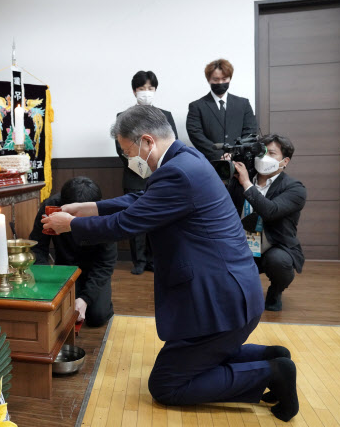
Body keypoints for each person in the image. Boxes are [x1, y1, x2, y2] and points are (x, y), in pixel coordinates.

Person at [43, 105, 298, 422]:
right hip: (228, 293)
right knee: (192, 360)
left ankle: (271, 372)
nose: (129, 160)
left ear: (147, 142)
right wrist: (91, 207)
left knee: (166, 385)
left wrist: (72, 225)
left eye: (128, 152)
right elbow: (142, 201)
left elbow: (127, 223)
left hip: (222, 301)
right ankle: (271, 357)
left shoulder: (178, 171)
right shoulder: (185, 159)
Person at [228, 134, 306, 311]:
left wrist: (247, 183)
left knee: (279, 261)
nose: (264, 158)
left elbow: (270, 211)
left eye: (271, 153)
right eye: (261, 152)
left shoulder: (294, 188)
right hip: (241, 246)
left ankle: (276, 291)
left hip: (273, 247)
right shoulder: (240, 178)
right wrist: (226, 170)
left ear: (285, 161)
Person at [29, 176, 116, 327]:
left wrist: (85, 299)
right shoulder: (51, 207)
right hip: (64, 268)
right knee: (63, 312)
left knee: (97, 317)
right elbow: (37, 247)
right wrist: (45, 280)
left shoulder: (104, 213)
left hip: (94, 269)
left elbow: (105, 263)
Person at [115, 70, 178, 275]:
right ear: (135, 91)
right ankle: (139, 261)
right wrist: (143, 168)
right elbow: (121, 150)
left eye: (150, 88)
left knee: (158, 219)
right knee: (135, 217)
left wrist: (156, 169)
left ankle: (154, 259)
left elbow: (171, 143)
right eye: (142, 88)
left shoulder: (165, 115)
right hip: (134, 176)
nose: (146, 92)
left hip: (160, 175)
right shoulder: (123, 116)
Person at [186, 59, 258, 162]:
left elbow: (250, 131)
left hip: (239, 161)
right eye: (216, 79)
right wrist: (219, 154)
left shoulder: (243, 103)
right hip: (210, 162)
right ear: (209, 80)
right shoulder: (196, 106)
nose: (220, 82)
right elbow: (196, 135)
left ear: (230, 78)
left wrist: (234, 153)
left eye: (224, 79)